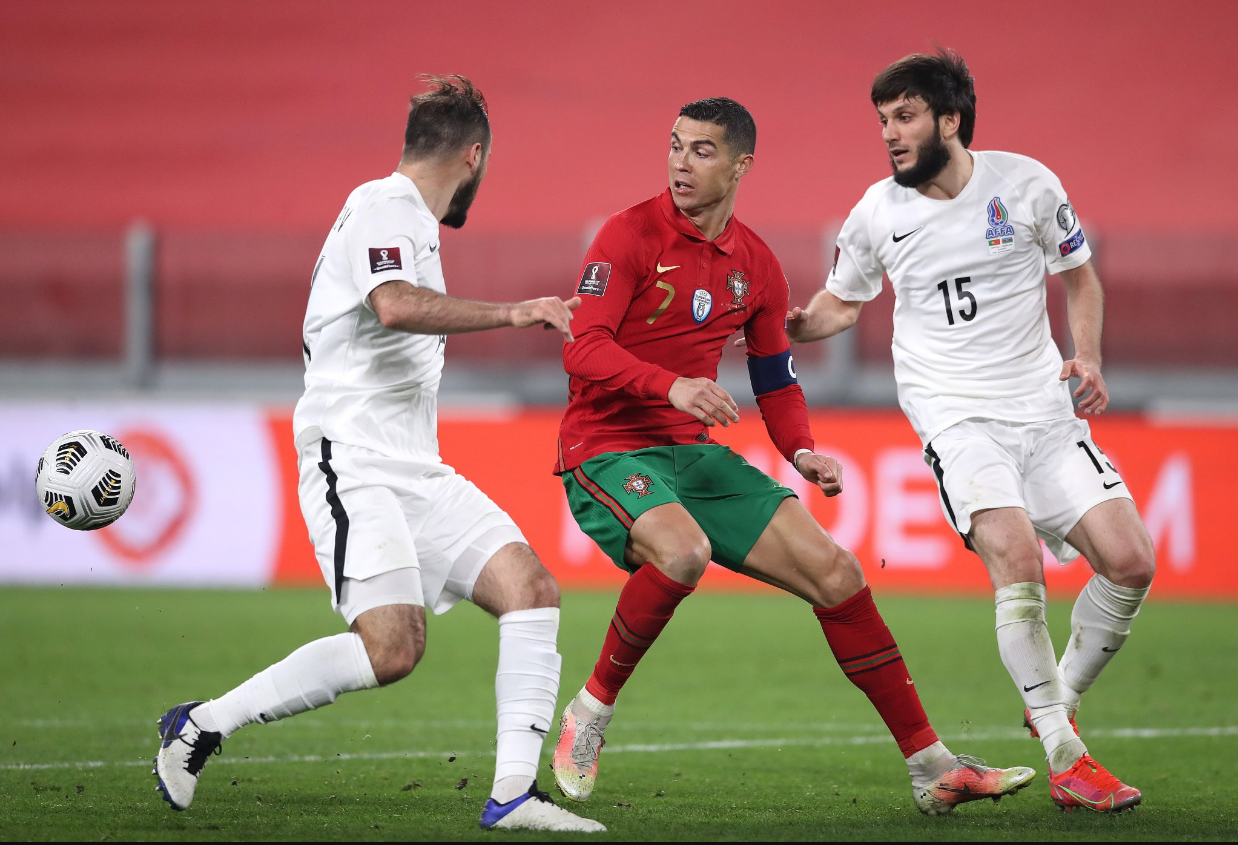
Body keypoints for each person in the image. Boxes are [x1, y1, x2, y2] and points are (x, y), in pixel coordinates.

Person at [550, 96, 1034, 816]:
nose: (682, 162)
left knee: (837, 573)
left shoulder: (757, 267)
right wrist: (673, 385)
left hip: (691, 451)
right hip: (607, 444)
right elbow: (583, 346)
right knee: (682, 552)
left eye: (703, 150)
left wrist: (800, 449)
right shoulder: (627, 235)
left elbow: (774, 377)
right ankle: (589, 711)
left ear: (742, 165)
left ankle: (933, 767)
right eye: (676, 146)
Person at [151, 75, 604, 833]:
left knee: (530, 589)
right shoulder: (380, 207)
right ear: (474, 155)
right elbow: (393, 305)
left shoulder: (414, 225)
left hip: (414, 465)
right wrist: (517, 309)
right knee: (393, 648)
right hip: (351, 456)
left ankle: (514, 796)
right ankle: (199, 724)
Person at [783, 50, 1155, 813]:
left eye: (906, 115)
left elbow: (1078, 272)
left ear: (950, 120)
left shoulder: (1025, 185)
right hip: (956, 416)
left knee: (1130, 561)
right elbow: (840, 304)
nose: (889, 133)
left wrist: (1086, 354)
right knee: (1016, 556)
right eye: (883, 119)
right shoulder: (878, 212)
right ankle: (1065, 755)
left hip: (1044, 412)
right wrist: (795, 325)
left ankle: (1054, 698)